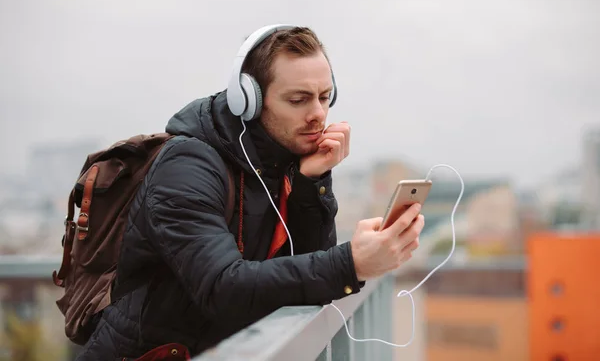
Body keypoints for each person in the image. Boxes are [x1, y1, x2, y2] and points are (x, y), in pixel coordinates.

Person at [75, 25, 424, 360]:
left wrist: (311, 182)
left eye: (325, 97)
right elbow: (222, 288)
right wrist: (351, 263)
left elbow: (306, 281)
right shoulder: (187, 167)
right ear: (249, 101)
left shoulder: (282, 160)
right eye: (299, 99)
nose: (318, 114)